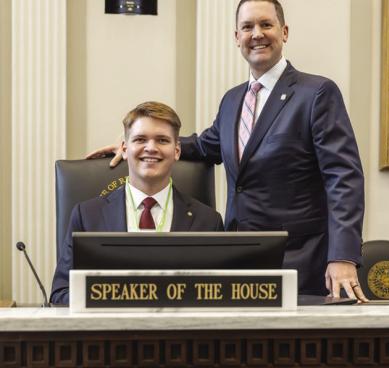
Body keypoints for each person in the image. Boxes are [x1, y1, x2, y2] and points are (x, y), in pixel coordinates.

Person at [86, 0, 367, 302]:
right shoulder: (233, 100)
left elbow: (344, 178)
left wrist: (343, 256)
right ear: (237, 37)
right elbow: (208, 145)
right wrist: (142, 146)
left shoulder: (316, 94)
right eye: (247, 27)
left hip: (301, 261)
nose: (256, 34)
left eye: (265, 25)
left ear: (284, 32)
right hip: (238, 260)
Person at [51, 101, 224, 305]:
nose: (151, 148)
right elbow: (61, 293)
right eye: (140, 139)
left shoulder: (208, 221)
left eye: (162, 140)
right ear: (124, 148)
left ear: (177, 150)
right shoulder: (87, 215)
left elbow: (218, 294)